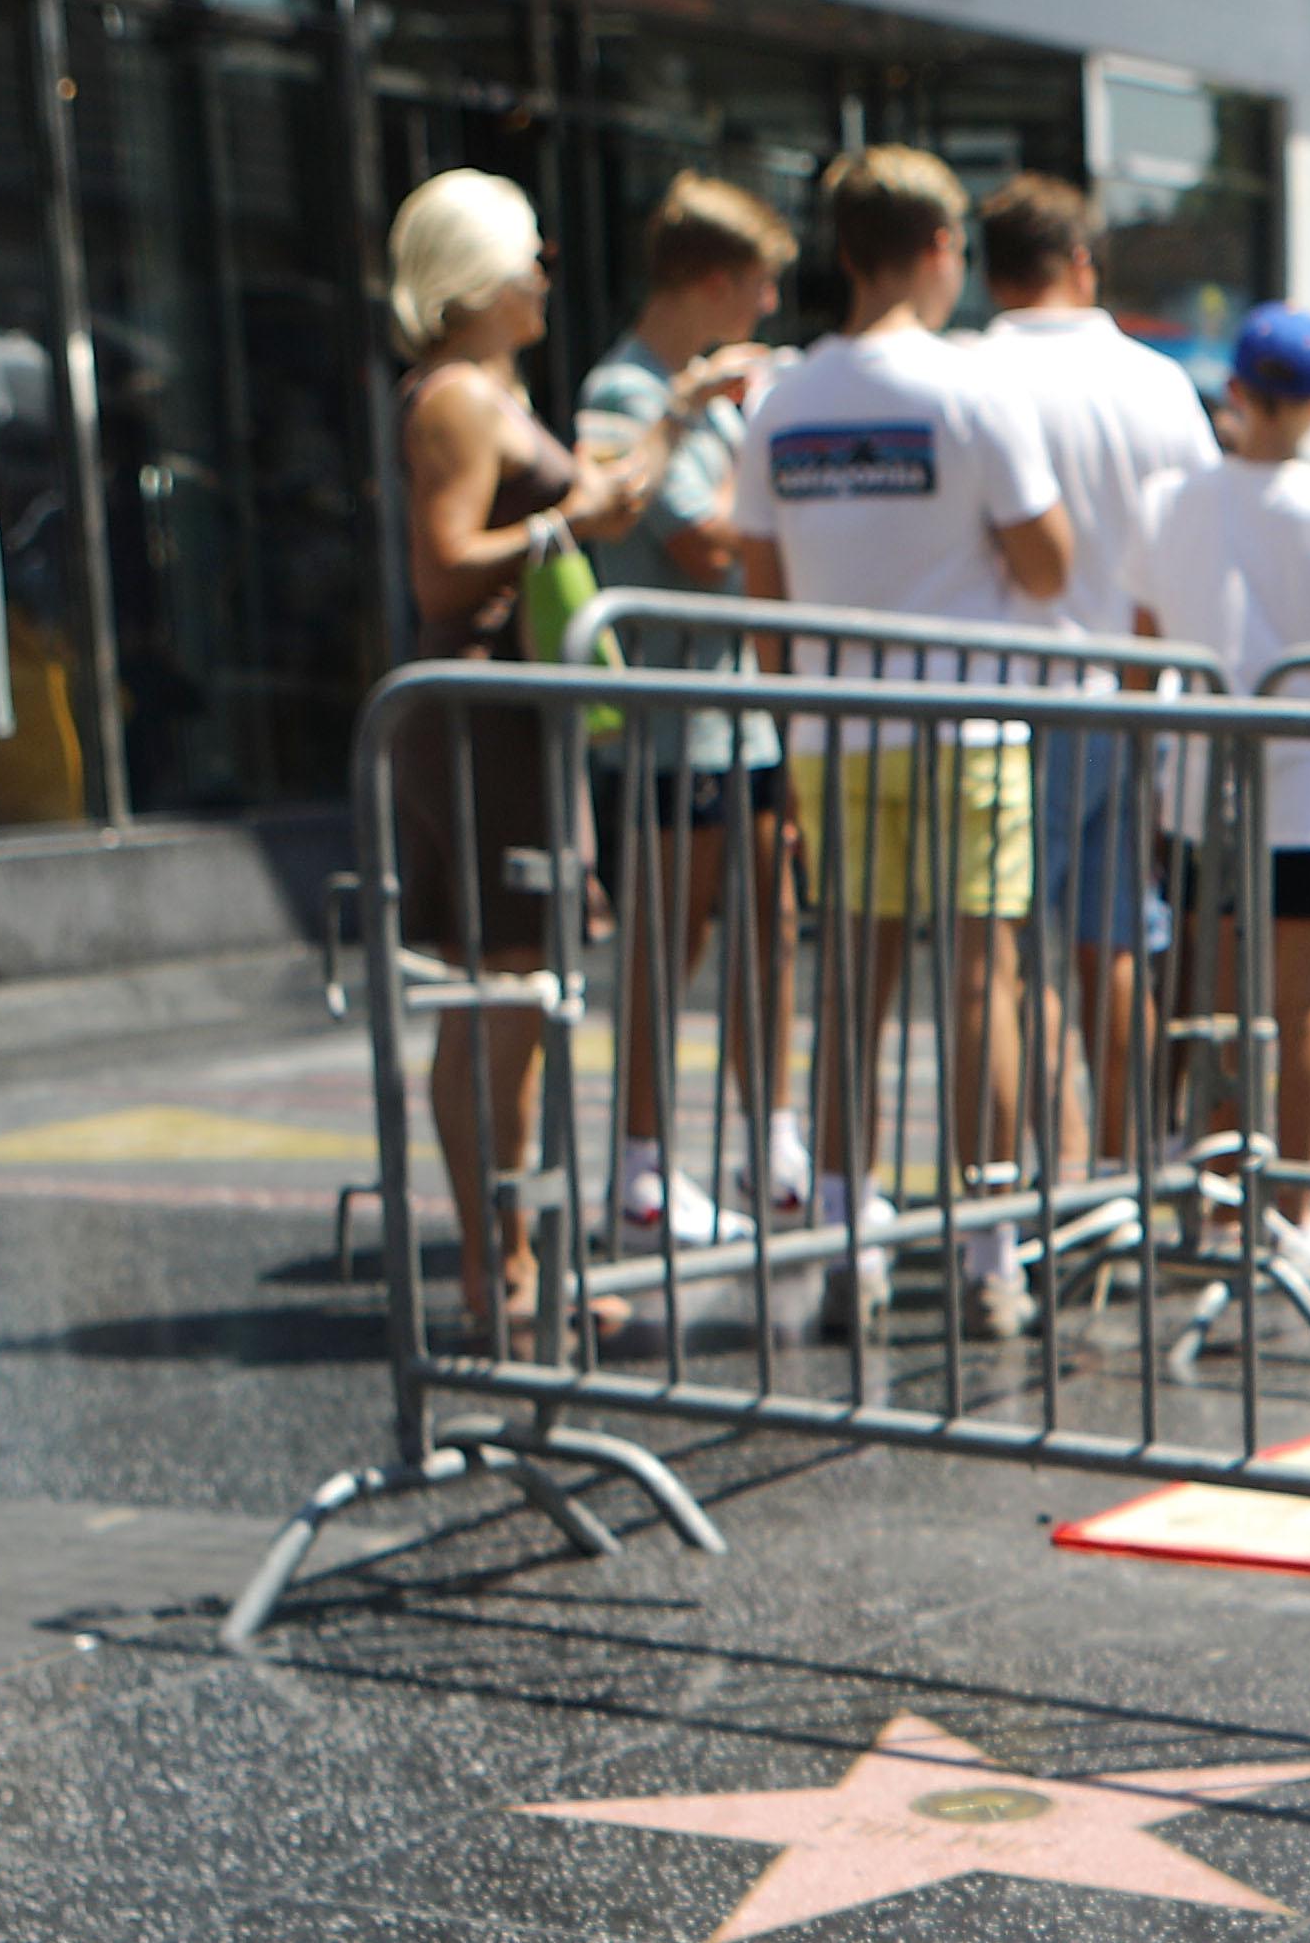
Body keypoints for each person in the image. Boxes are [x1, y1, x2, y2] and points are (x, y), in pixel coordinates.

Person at [746, 142, 1071, 1333]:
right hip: (967, 719)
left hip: (837, 731)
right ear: (941, 251)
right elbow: (1048, 562)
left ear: (842, 252)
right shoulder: (971, 392)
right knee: (979, 981)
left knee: (855, 986)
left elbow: (761, 589)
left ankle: (848, 1237)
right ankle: (990, 1254)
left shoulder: (781, 399)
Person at [347, 170, 664, 1352]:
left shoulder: (482, 393)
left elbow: (587, 502)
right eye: (530, 257)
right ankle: (503, 1266)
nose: (544, 277)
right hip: (481, 726)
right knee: (504, 998)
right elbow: (446, 568)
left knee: (507, 998)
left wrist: (665, 425)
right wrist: (559, 525)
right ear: (479, 277)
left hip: (502, 723)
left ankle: (513, 1260)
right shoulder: (458, 401)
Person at [1129, 301, 1310, 1296]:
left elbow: (1141, 639)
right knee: (1303, 1007)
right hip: (1306, 790)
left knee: (1214, 1000)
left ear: (1235, 389)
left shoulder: (1169, 501)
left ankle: (1215, 1203)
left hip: (1197, 785)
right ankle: (1289, 1211)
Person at [970, 173, 1218, 1187]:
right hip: (1132, 693)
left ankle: (1061, 1172)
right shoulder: (1156, 382)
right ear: (1081, 263)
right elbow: (1192, 528)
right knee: (1114, 940)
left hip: (1015, 694)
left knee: (1010, 955)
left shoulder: (974, 374)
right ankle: (1120, 1168)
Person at [581, 171, 791, 1246]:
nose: (765, 311)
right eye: (757, 287)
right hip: (672, 723)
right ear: (710, 282)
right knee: (674, 947)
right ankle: (641, 1172)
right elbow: (702, 538)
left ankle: (771, 1151)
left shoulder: (697, 397)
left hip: (736, 713)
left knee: (767, 931)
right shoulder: (625, 394)